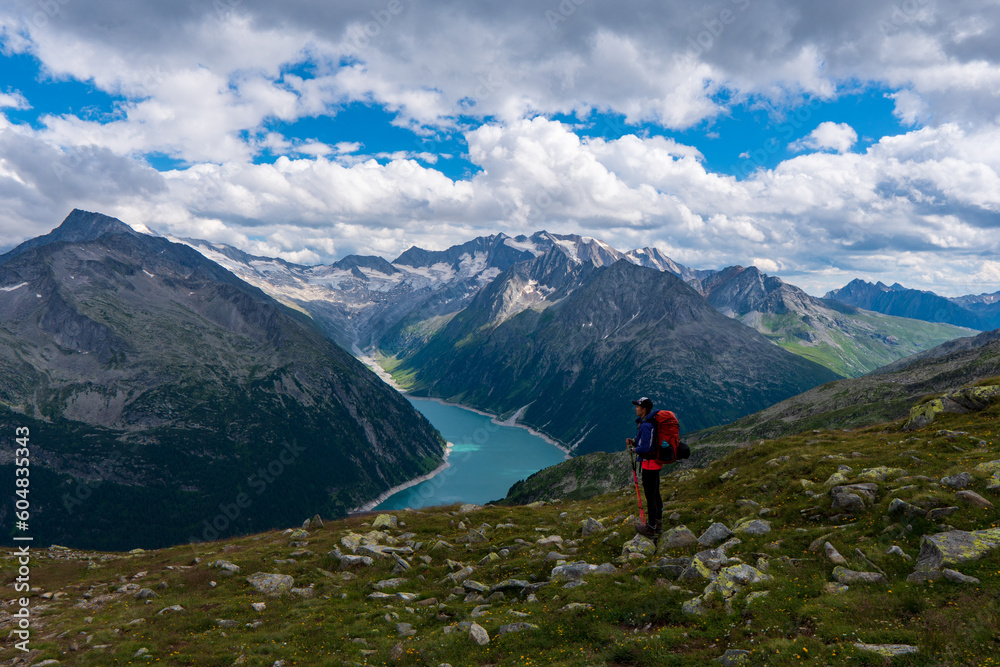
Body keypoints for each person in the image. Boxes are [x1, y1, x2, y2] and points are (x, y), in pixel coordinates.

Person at [626, 396, 662, 537]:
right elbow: (646, 443)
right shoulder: (647, 423)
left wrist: (633, 450)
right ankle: (658, 524)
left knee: (650, 496)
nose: (636, 408)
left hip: (649, 465)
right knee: (655, 494)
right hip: (653, 463)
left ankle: (651, 527)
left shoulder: (646, 425)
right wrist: (634, 443)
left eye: (638, 407)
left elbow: (646, 448)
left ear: (644, 409)